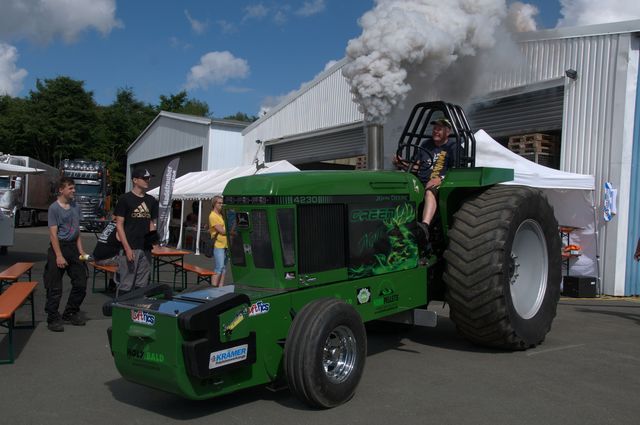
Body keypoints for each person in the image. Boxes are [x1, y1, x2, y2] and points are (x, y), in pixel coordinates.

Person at [392, 117, 458, 241]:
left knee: (429, 190)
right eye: (434, 129)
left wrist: (440, 179)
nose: (436, 131)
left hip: (441, 183)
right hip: (420, 181)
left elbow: (456, 169)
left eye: (440, 129)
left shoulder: (453, 147)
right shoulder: (426, 144)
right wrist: (401, 163)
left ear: (447, 132)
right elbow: (416, 166)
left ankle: (424, 227)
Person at [43, 176, 88, 332]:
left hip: (73, 248)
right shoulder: (54, 208)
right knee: (54, 286)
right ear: (61, 190)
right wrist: (59, 255)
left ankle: (70, 312)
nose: (74, 190)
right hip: (58, 247)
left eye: (74, 188)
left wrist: (81, 251)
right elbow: (53, 235)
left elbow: (76, 232)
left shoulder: (76, 207)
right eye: (70, 188)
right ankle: (52, 317)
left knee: (81, 282)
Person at [114, 168, 158, 294]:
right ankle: (121, 310)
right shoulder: (125, 199)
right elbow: (119, 224)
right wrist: (127, 248)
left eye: (149, 178)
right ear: (135, 180)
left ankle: (138, 311)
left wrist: (154, 242)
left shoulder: (151, 200)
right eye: (145, 178)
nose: (148, 180)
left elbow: (151, 223)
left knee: (142, 284)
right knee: (126, 283)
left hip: (145, 248)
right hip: (130, 247)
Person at [92, 219, 121, 291]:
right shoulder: (120, 227)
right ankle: (128, 288)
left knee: (115, 254)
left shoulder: (111, 224)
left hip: (97, 258)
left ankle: (112, 284)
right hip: (104, 260)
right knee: (131, 259)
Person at [208, 195, 228, 287]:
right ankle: (214, 287)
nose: (221, 204)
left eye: (222, 202)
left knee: (223, 268)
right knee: (219, 267)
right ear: (214, 204)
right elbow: (222, 231)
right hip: (218, 245)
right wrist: (230, 230)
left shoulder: (221, 215)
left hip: (225, 245)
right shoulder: (213, 216)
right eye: (219, 203)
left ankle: (220, 287)